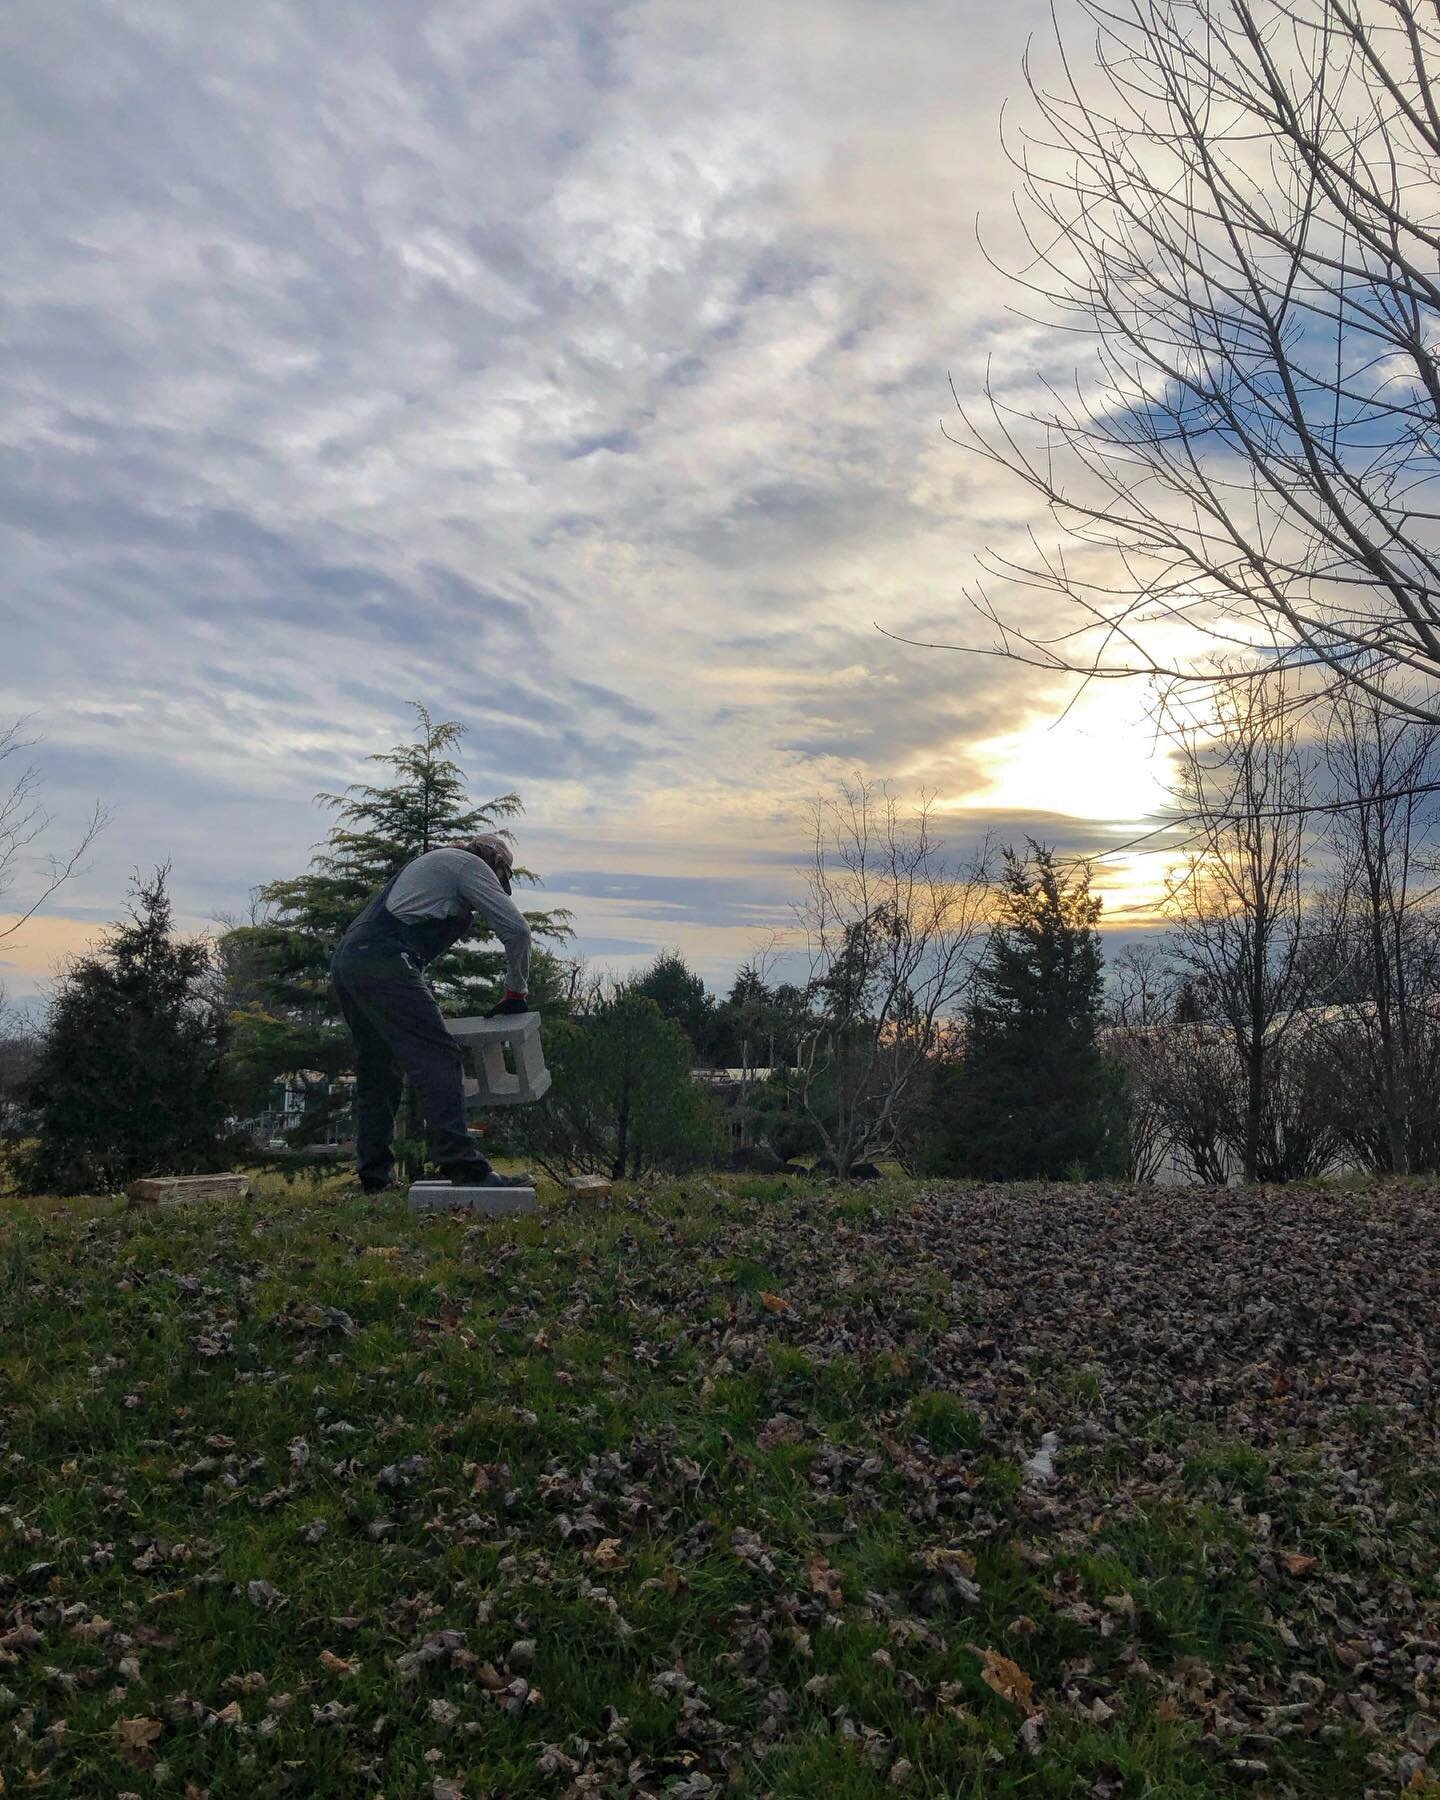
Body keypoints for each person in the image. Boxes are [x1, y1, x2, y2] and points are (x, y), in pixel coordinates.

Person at [331, 832, 535, 1194]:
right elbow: (517, 931)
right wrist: (515, 991)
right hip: (383, 960)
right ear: (497, 864)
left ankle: (375, 1178)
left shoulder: (437, 869)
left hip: (353, 960)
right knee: (438, 1055)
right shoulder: (468, 865)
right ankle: (463, 1166)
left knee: (378, 1070)